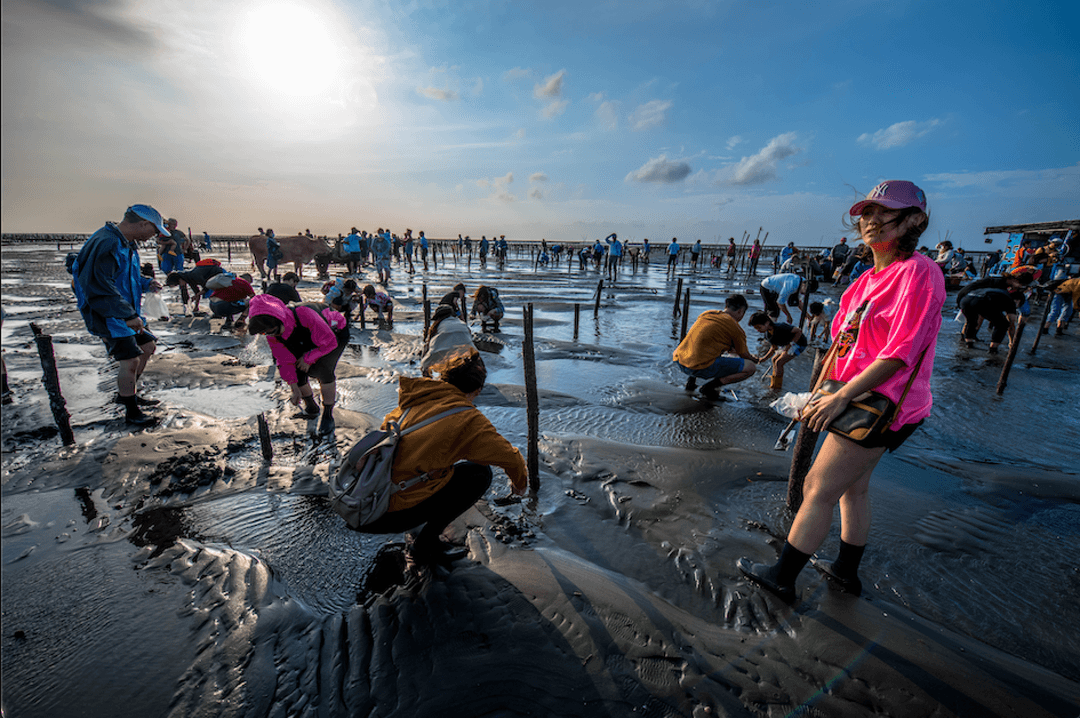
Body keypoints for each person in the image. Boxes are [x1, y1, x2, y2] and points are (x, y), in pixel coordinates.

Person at [738, 179, 945, 602]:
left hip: (883, 403)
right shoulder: (865, 280)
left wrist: (842, 396)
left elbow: (900, 352)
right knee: (855, 487)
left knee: (817, 488)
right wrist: (820, 393)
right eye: (866, 213)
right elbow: (841, 348)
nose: (871, 221)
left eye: (884, 212)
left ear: (915, 220)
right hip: (852, 395)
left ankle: (783, 578)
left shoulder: (919, 273)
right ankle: (846, 571)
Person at [350, 351, 527, 566]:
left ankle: (416, 525)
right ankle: (423, 547)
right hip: (384, 513)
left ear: (444, 379)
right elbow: (510, 458)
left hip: (362, 499)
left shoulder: (415, 399)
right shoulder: (469, 420)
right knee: (480, 474)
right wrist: (519, 486)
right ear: (477, 390)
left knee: (444, 469)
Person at [71, 204, 169, 426]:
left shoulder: (126, 244)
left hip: (125, 311)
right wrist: (126, 315)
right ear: (143, 224)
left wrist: (146, 283)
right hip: (109, 314)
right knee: (130, 359)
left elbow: (126, 279)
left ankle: (128, 394)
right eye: (154, 230)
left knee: (147, 347)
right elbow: (99, 285)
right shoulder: (107, 243)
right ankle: (132, 412)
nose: (153, 236)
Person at [247, 294, 349, 436]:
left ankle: (327, 414)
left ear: (278, 320)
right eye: (265, 333)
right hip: (306, 336)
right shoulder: (272, 335)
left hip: (335, 332)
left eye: (273, 331)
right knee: (297, 370)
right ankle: (311, 408)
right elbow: (283, 360)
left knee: (323, 370)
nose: (271, 335)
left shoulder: (304, 314)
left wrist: (308, 358)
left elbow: (330, 342)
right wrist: (293, 387)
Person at [672, 294, 758, 399]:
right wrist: (755, 359)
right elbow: (744, 355)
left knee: (702, 349)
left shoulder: (707, 314)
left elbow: (704, 341)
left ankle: (690, 383)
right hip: (696, 367)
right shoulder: (735, 327)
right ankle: (709, 387)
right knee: (750, 367)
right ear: (740, 311)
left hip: (680, 360)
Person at [955, 272, 1031, 353]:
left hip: (966, 299)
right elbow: (1011, 322)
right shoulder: (1005, 294)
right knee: (1002, 324)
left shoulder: (1001, 285)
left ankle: (968, 343)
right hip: (973, 297)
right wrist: (1012, 342)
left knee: (972, 320)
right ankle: (993, 349)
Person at [748, 311, 807, 391]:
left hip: (798, 344)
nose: (758, 330)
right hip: (787, 345)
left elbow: (798, 331)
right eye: (756, 328)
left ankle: (777, 387)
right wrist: (763, 359)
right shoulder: (768, 334)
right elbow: (774, 348)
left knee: (779, 362)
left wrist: (790, 344)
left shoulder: (781, 327)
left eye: (759, 327)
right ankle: (774, 382)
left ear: (767, 322)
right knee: (774, 359)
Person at [421, 304, 476, 377]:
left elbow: (430, 348)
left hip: (450, 354)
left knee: (427, 362)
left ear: (438, 317)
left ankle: (428, 378)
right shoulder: (461, 323)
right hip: (469, 355)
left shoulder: (439, 325)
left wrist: (424, 364)